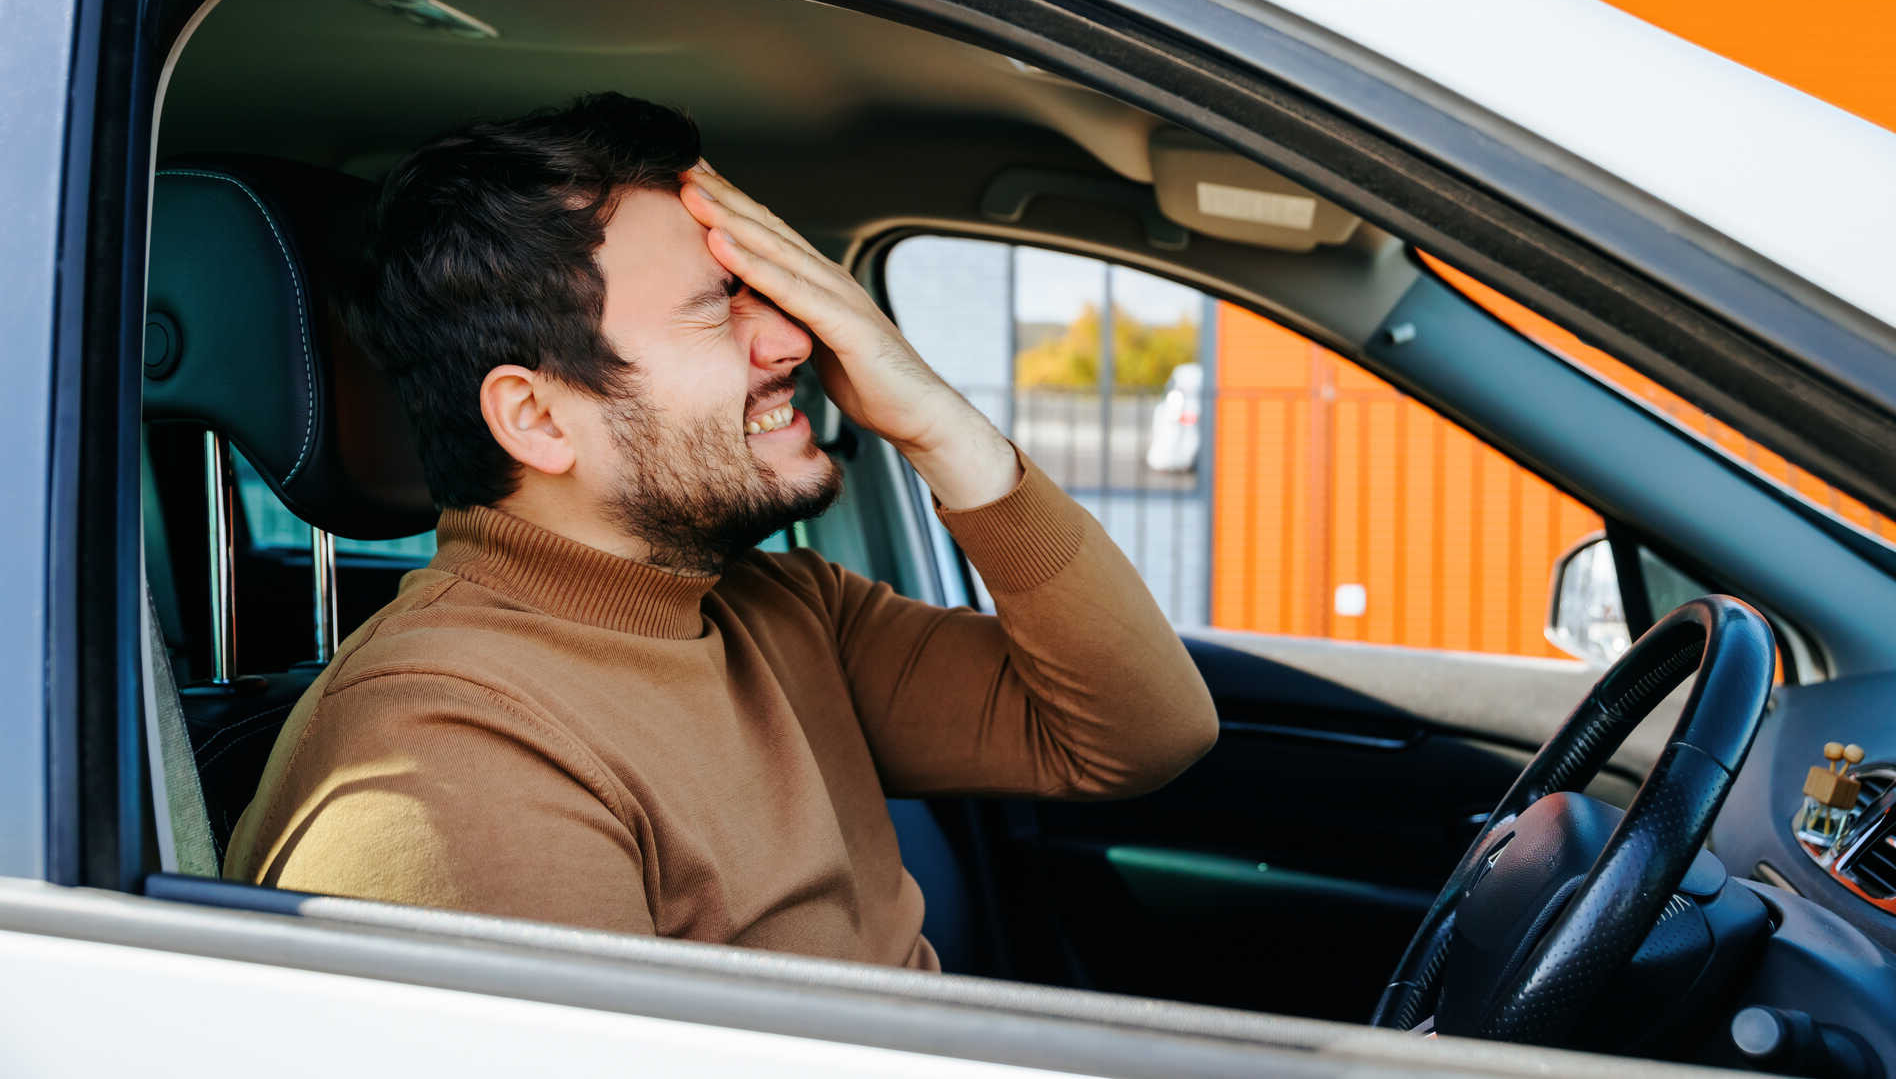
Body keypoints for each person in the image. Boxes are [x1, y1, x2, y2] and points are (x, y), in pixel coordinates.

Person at [223, 93, 1218, 970]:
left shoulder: (781, 610)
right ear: (534, 417)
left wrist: (936, 419)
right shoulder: (446, 757)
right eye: (715, 313)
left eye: (769, 296)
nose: (794, 341)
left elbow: (1138, 734)